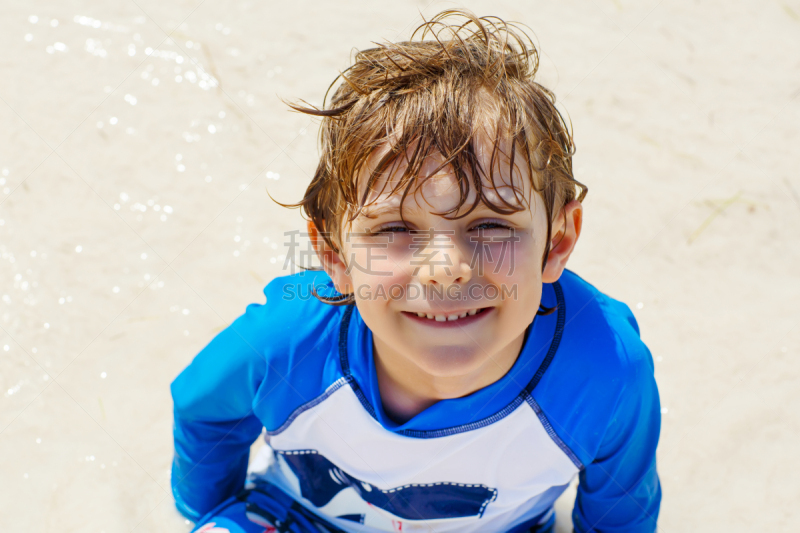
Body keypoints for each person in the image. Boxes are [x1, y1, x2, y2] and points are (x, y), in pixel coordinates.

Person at [170, 10, 661, 533]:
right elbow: (203, 409)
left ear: (557, 241)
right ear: (334, 256)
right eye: (394, 230)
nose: (446, 269)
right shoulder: (286, 340)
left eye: (492, 225)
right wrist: (208, 511)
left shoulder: (604, 370)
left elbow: (618, 521)